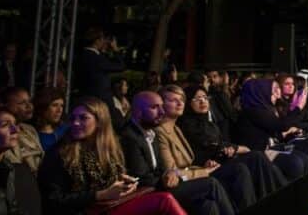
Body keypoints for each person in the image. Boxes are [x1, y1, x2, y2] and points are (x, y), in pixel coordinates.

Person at [37, 97, 186, 215]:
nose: (76, 123)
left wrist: (125, 183)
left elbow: (109, 183)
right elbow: (54, 201)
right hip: (83, 211)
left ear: (100, 122)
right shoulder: (59, 153)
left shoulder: (109, 149)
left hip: (110, 205)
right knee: (163, 201)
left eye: (83, 118)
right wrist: (100, 195)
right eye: (73, 118)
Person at [119, 91, 235, 215]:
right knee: (211, 184)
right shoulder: (130, 137)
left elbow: (161, 168)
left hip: (165, 183)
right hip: (151, 192)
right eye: (154, 107)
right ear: (138, 111)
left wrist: (169, 174)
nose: (161, 112)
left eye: (161, 106)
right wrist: (168, 177)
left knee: (207, 205)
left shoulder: (150, 132)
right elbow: (141, 177)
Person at [177, 85, 286, 197]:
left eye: (205, 97)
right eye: (197, 98)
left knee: (257, 156)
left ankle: (279, 195)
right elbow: (208, 146)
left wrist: (231, 148)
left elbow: (221, 142)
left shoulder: (209, 124)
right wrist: (235, 148)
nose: (203, 101)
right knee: (252, 160)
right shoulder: (186, 125)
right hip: (209, 165)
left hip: (223, 158)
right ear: (188, 102)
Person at [76, 27, 125, 112]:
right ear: (97, 41)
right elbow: (120, 66)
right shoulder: (96, 58)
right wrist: (115, 49)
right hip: (100, 101)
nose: (104, 42)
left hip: (85, 98)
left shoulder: (82, 55)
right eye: (103, 39)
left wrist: (103, 51)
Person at [0, 87, 44, 174]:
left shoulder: (30, 129)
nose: (29, 106)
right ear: (5, 105)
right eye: (22, 103)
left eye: (30, 101)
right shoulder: (3, 135)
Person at [32, 87, 69, 152]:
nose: (59, 110)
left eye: (62, 106)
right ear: (43, 107)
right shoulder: (31, 134)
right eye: (54, 105)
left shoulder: (66, 130)